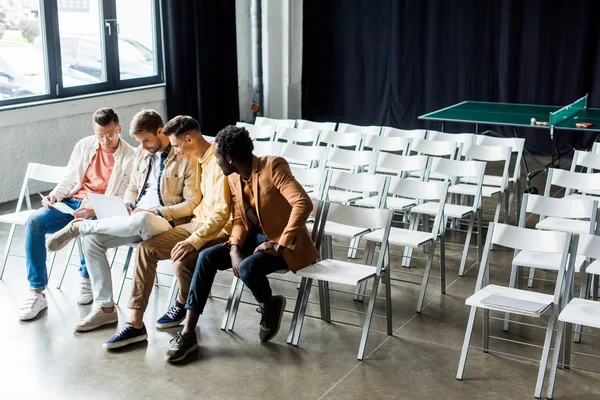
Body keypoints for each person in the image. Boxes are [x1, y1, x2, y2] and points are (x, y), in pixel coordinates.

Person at [164, 124, 318, 362]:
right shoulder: (234, 177)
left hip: (284, 241)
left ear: (229, 158)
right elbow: (238, 217)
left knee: (247, 267)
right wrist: (234, 248)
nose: (215, 162)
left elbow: (303, 204)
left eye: (217, 158)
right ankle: (188, 332)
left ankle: (269, 305)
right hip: (252, 239)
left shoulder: (273, 166)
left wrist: (280, 244)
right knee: (206, 257)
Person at [45, 110, 200, 332]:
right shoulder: (141, 153)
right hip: (133, 218)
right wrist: (127, 205)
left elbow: (191, 204)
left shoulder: (185, 157)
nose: (143, 146)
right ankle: (105, 309)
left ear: (160, 131)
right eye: (139, 142)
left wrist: (158, 212)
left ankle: (79, 227)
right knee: (92, 239)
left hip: (164, 222)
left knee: (144, 218)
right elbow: (133, 188)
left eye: (146, 140)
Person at [102, 115, 232, 349]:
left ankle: (182, 302)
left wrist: (194, 239)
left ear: (189, 139)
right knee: (145, 250)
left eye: (175, 145)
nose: (174, 151)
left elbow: (222, 213)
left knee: (181, 257)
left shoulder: (218, 162)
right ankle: (135, 324)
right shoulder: (199, 158)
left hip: (218, 229)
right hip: (196, 222)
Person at [19, 108, 135, 321]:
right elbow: (69, 178)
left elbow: (121, 195)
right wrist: (55, 196)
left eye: (110, 134)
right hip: (72, 201)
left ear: (119, 129)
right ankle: (36, 292)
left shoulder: (131, 156)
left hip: (101, 207)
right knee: (34, 221)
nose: (105, 140)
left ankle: (85, 275)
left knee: (89, 222)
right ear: (94, 130)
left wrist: (93, 209)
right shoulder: (85, 145)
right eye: (100, 135)